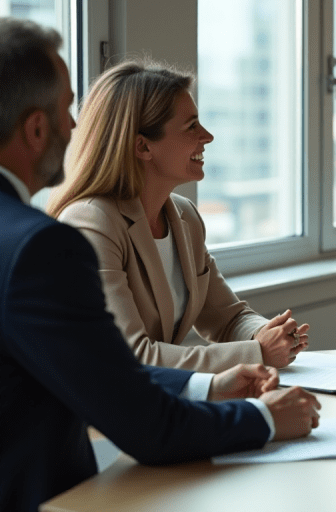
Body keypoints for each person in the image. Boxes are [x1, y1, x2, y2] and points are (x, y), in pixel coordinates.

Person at [0, 17, 321, 512]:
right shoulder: (54, 240)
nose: (73, 125)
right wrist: (263, 410)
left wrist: (221, 375)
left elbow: (220, 316)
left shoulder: (184, 217)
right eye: (66, 110)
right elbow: (130, 381)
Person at [48, 60, 309, 372]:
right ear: (143, 146)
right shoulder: (91, 223)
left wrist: (264, 333)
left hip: (160, 402)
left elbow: (227, 317)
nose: (207, 136)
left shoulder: (184, 216)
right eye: (191, 127)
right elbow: (132, 356)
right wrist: (256, 353)